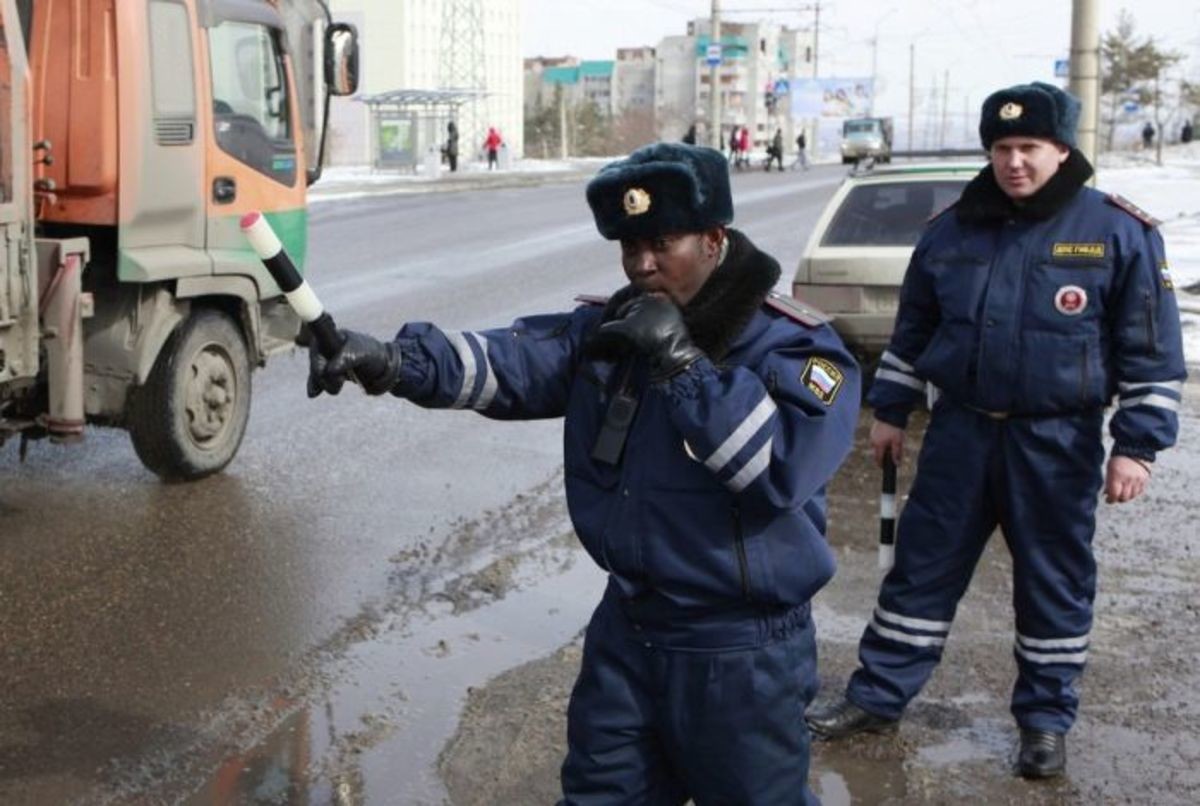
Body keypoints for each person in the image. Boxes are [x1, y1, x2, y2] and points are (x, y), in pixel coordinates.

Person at [307, 143, 861, 803]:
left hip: (740, 652)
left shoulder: (794, 346)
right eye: (629, 247)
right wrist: (392, 362)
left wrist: (681, 365)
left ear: (714, 237)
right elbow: (508, 363)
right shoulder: (615, 327)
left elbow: (778, 470)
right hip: (629, 633)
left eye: (661, 242)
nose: (643, 265)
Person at [805, 82, 1186, 780]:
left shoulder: (1117, 231)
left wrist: (1136, 447)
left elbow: (1151, 354)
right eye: (1002, 148)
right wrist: (890, 410)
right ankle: (878, 697)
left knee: (1054, 583)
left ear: (1062, 149)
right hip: (962, 434)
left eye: (1028, 148)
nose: (1013, 162)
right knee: (919, 573)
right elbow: (914, 329)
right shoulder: (953, 230)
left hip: (1057, 442)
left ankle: (1043, 724)